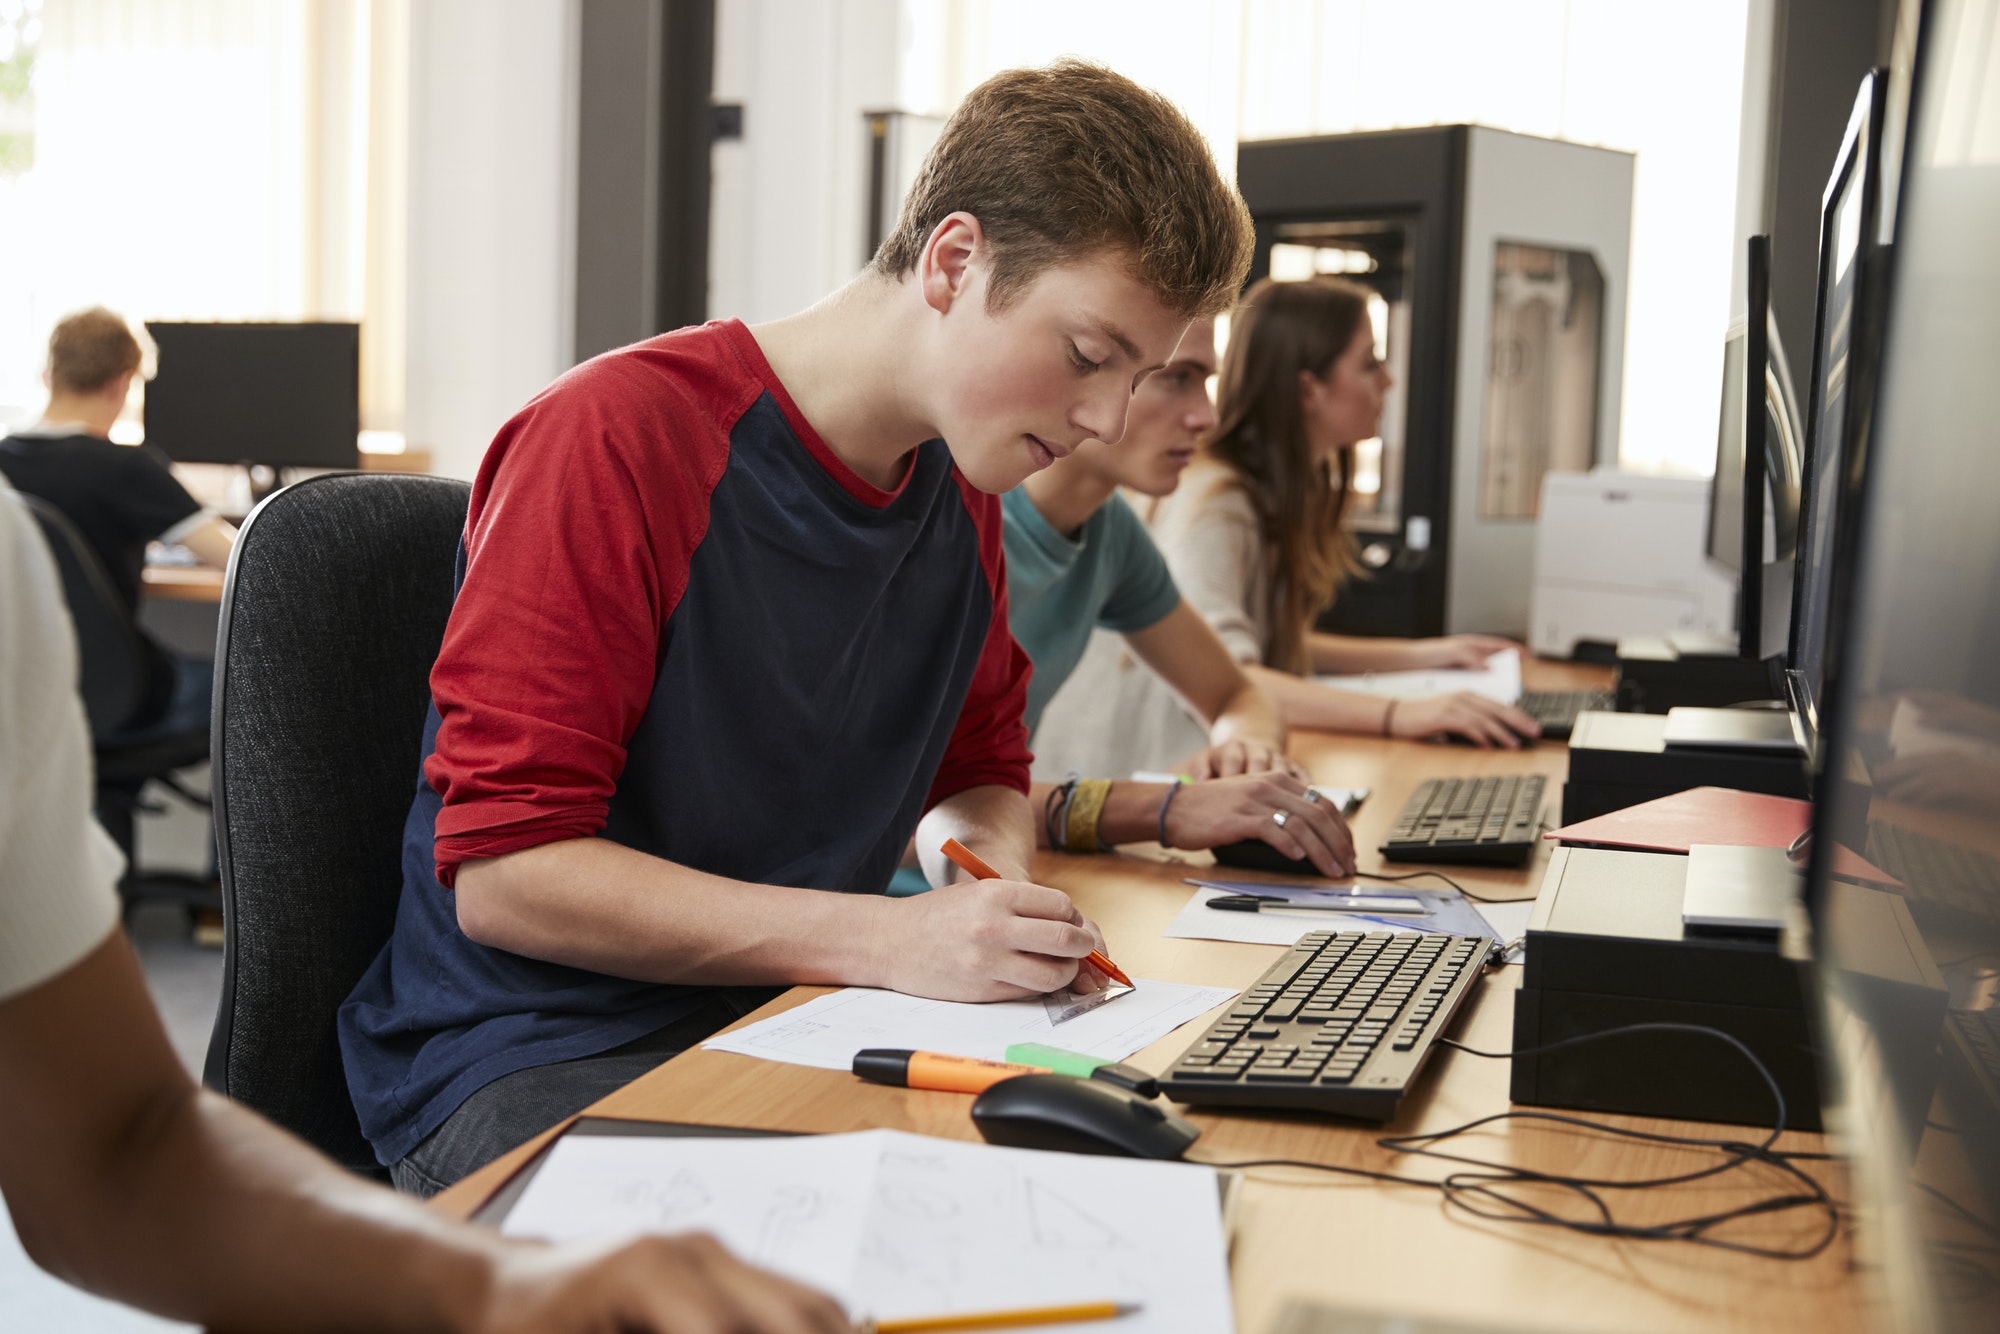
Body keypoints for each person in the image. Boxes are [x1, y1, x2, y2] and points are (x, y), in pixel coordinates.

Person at [339, 60, 1255, 1196]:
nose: (1105, 418)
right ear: (953, 262)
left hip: (788, 1016)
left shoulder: (957, 488)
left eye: (1139, 377)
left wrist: (986, 880)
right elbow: (508, 873)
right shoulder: (618, 438)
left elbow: (977, 769)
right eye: (1086, 356)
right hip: (535, 1051)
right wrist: (886, 938)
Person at [0, 481, 852, 1334]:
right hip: (506, 1039)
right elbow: (504, 872)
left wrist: (495, 1283)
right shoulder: (612, 453)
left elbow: (122, 1145)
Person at [1035, 276, 1539, 779]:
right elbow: (1232, 672)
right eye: (1369, 362)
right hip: (1130, 783)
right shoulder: (1214, 501)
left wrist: (1427, 654)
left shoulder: (1145, 521)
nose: (1388, 380)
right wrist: (1400, 714)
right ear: (1307, 389)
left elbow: (1233, 657)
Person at [999, 316, 1355, 876]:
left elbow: (1237, 695)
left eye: (1205, 382)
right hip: (896, 907)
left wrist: (1243, 751)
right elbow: (913, 805)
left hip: (1001, 876)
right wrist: (1165, 808)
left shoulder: (1110, 531)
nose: (1206, 417)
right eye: (1176, 378)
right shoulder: (963, 524)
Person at [0, 307, 236, 740]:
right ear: (124, 383)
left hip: (20, 688)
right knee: (242, 687)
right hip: (111, 693)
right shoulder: (127, 468)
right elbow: (245, 559)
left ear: (48, 376)